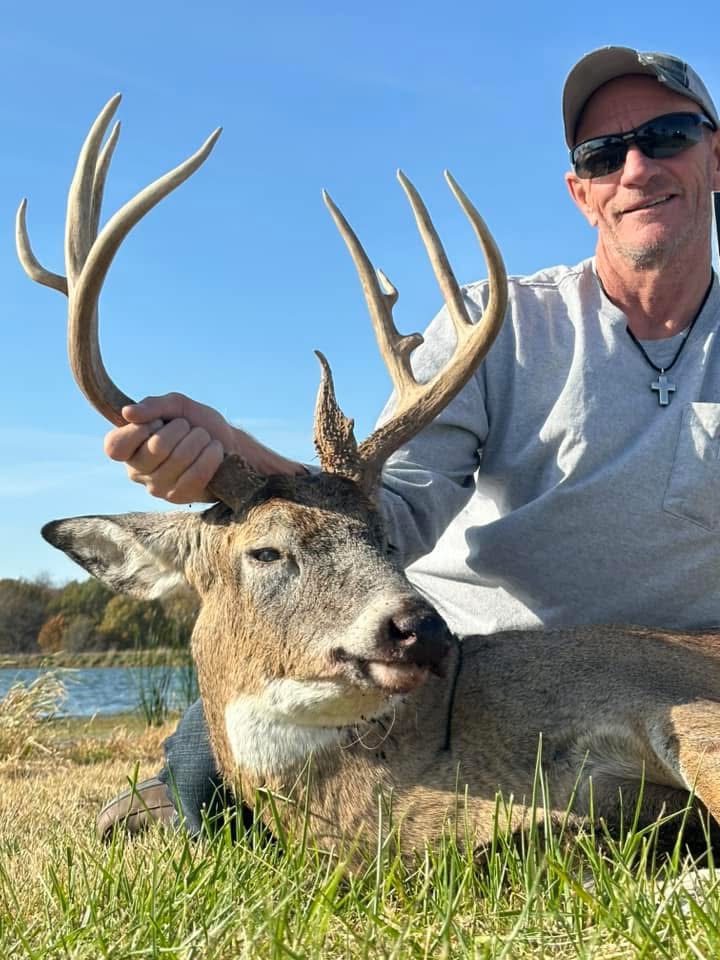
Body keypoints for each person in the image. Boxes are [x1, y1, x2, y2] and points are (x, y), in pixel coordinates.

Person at [96, 45, 720, 838]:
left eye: (667, 137)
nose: (635, 169)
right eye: (602, 154)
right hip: (452, 664)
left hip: (677, 664)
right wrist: (234, 459)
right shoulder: (499, 327)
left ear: (715, 156)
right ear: (580, 191)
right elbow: (386, 511)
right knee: (207, 781)